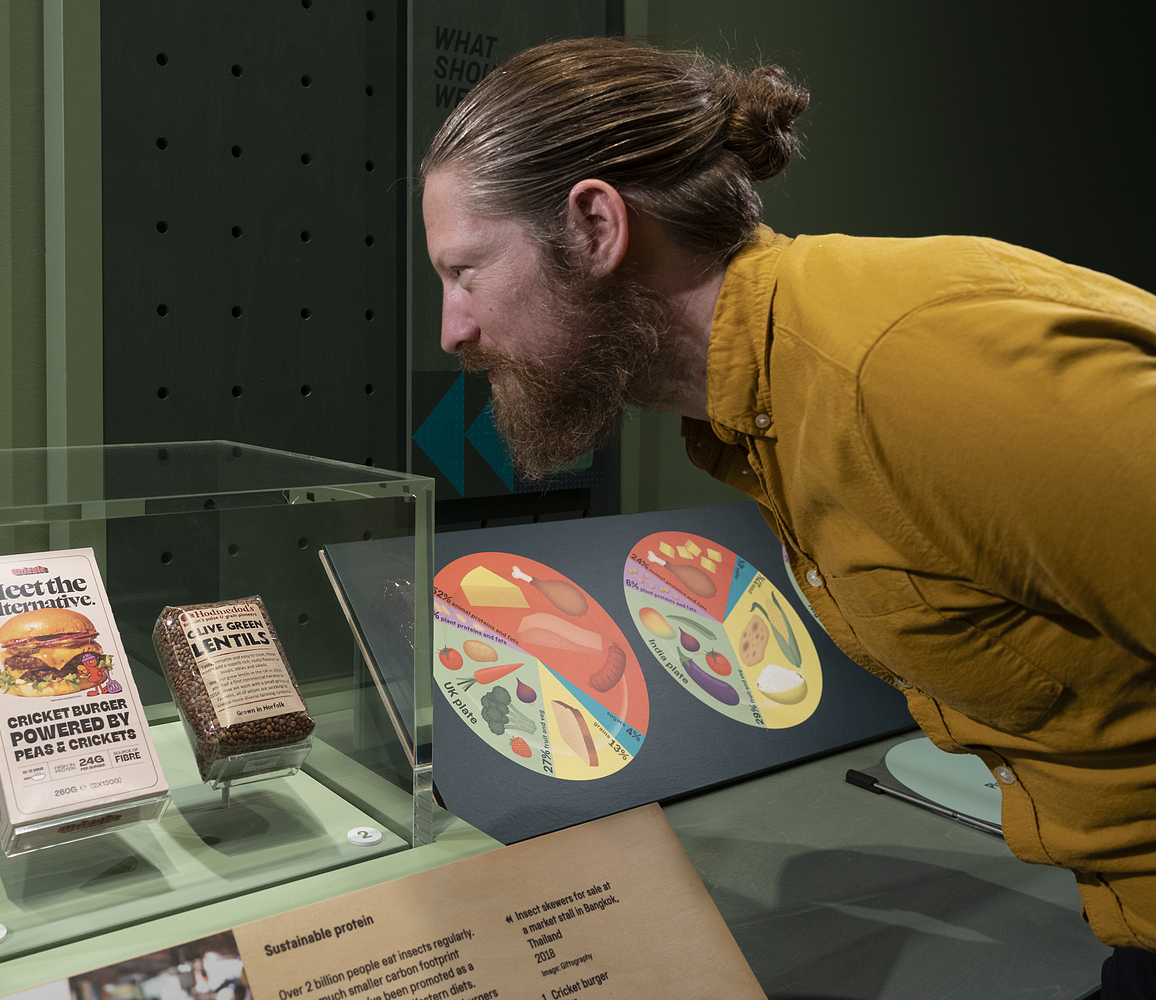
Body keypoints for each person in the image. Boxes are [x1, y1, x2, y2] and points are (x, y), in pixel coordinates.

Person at [420, 36, 1156, 996]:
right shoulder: (775, 403)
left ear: (596, 226)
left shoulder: (905, 372)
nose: (454, 330)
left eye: (467, 271)